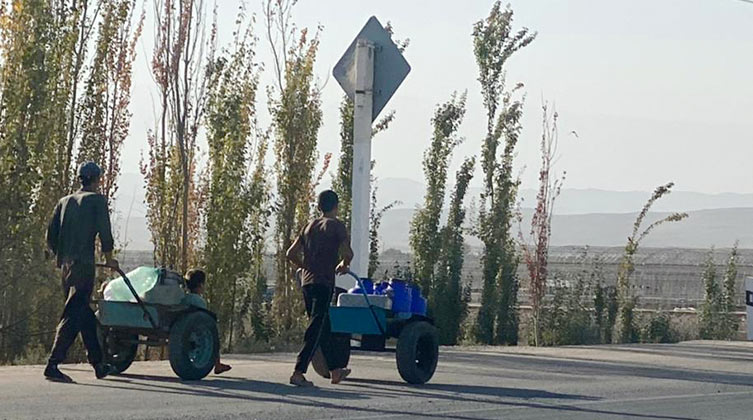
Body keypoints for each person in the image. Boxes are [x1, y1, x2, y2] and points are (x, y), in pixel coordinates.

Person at [44, 162, 118, 383]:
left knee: (84, 314)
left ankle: (99, 364)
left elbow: (51, 235)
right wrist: (109, 259)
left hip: (66, 267)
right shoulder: (96, 201)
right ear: (96, 179)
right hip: (83, 266)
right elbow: (105, 232)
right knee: (73, 313)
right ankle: (52, 364)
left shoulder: (64, 202)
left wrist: (62, 256)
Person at [286, 190, 354, 387]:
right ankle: (298, 372)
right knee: (316, 327)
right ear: (336, 206)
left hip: (307, 283)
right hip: (324, 282)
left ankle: (335, 370)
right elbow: (348, 252)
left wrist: (305, 266)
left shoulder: (308, 227)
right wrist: (343, 264)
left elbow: (291, 254)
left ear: (318, 206)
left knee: (324, 326)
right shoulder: (336, 226)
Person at [181, 269, 232, 375]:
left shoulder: (184, 298)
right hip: (194, 331)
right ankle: (217, 364)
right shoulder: (199, 301)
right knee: (212, 332)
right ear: (200, 285)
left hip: (181, 326)